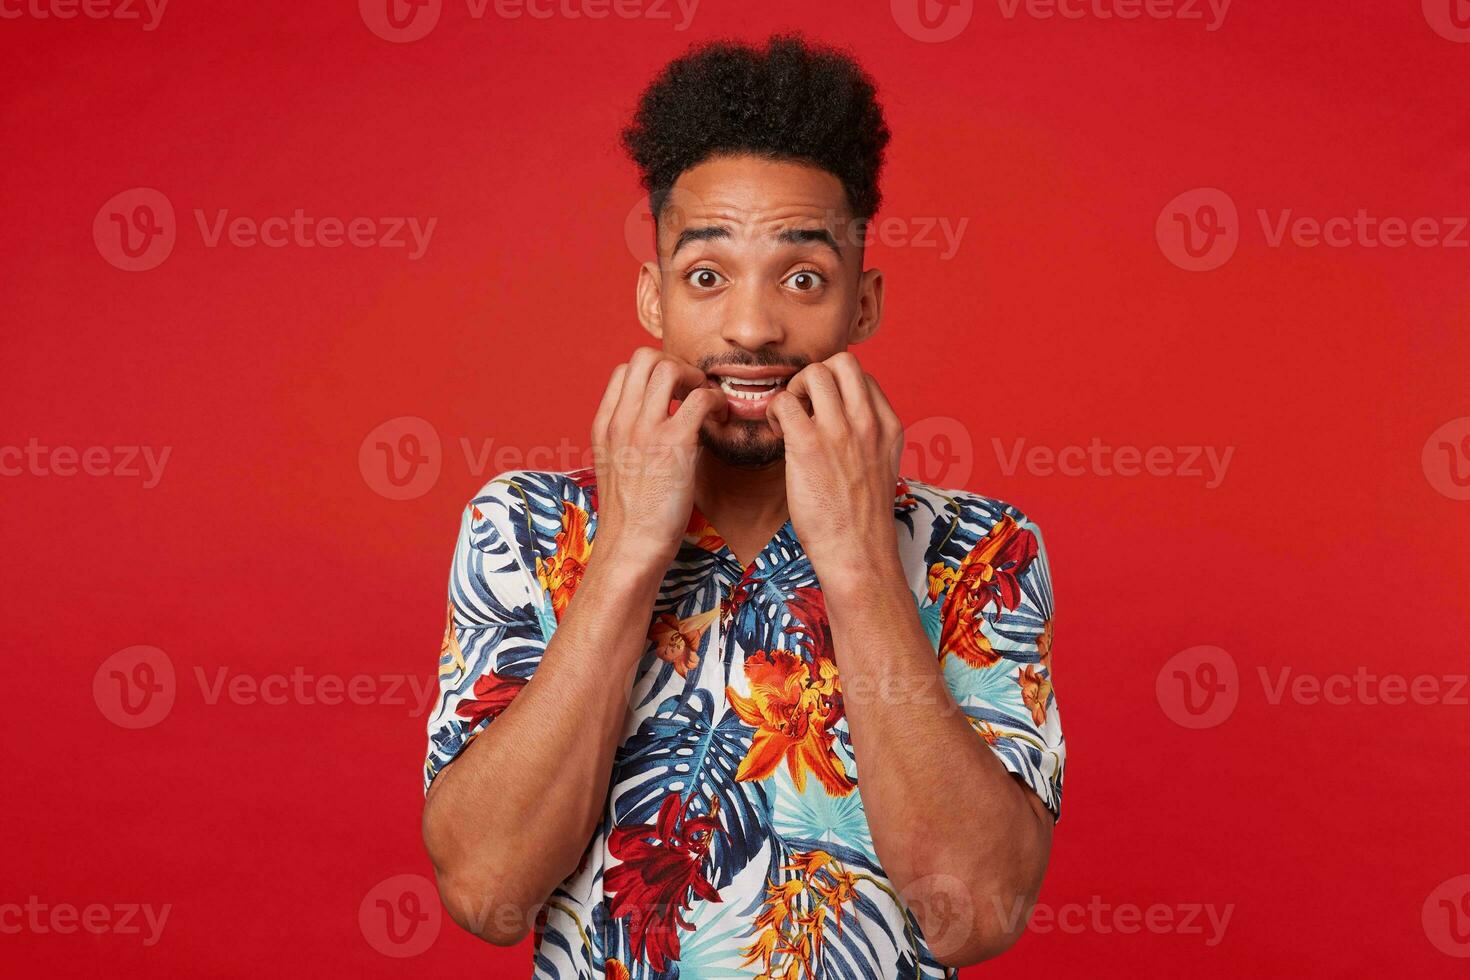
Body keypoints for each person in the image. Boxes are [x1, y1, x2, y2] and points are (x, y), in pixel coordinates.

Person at [421, 32, 1064, 979]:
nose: (754, 327)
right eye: (707, 276)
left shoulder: (982, 549)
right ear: (654, 299)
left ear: (864, 304)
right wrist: (630, 551)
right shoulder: (522, 527)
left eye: (803, 278)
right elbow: (485, 891)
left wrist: (856, 562)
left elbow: (977, 916)